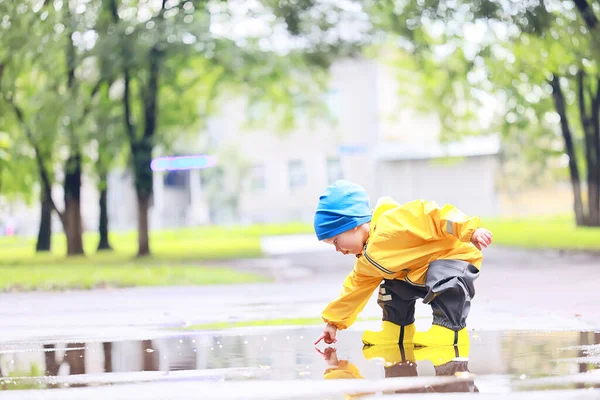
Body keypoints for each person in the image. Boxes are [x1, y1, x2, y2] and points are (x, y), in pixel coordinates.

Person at [312, 180, 492, 348]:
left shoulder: (393, 223)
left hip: (453, 261)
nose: (337, 249)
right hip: (420, 275)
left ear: (352, 224)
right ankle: (397, 331)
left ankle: (450, 331)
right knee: (391, 287)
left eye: (336, 241)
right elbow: (354, 291)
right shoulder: (366, 262)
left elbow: (436, 217)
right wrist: (333, 323)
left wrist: (470, 231)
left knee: (443, 277)